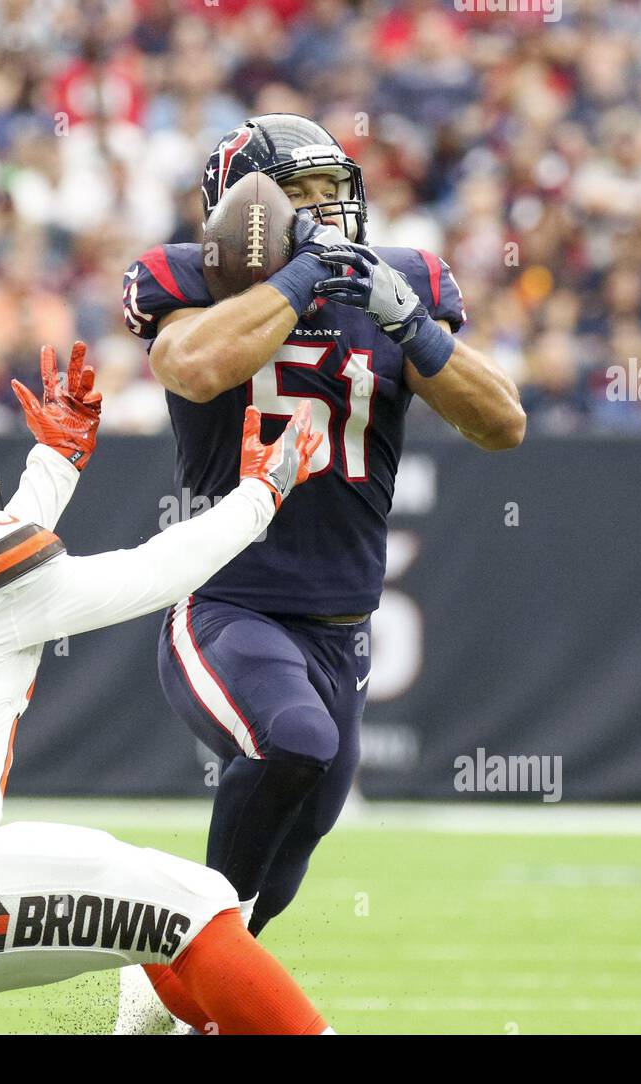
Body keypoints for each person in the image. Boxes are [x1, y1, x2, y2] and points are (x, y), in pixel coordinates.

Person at [118, 113, 525, 1031]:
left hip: (343, 628)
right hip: (228, 604)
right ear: (244, 214)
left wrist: (411, 325)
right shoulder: (193, 276)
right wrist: (300, 282)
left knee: (286, 855)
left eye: (330, 193)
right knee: (291, 741)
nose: (325, 214)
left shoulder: (405, 281)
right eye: (296, 199)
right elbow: (193, 367)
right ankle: (200, 998)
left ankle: (160, 981)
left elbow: (503, 421)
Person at [0, 340, 334, 1034]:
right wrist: (261, 494)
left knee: (154, 923)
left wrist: (56, 459)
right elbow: (148, 574)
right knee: (201, 901)